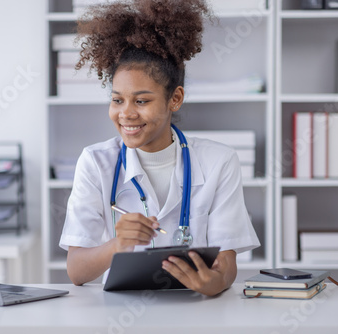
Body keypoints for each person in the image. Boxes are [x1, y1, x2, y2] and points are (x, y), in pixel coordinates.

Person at [59, 0, 260, 296]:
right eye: (117, 100)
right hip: (119, 314)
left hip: (194, 312)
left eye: (141, 101)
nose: (126, 113)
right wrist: (119, 244)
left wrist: (214, 283)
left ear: (174, 99)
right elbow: (76, 271)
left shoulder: (220, 160)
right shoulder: (95, 162)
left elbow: (226, 264)